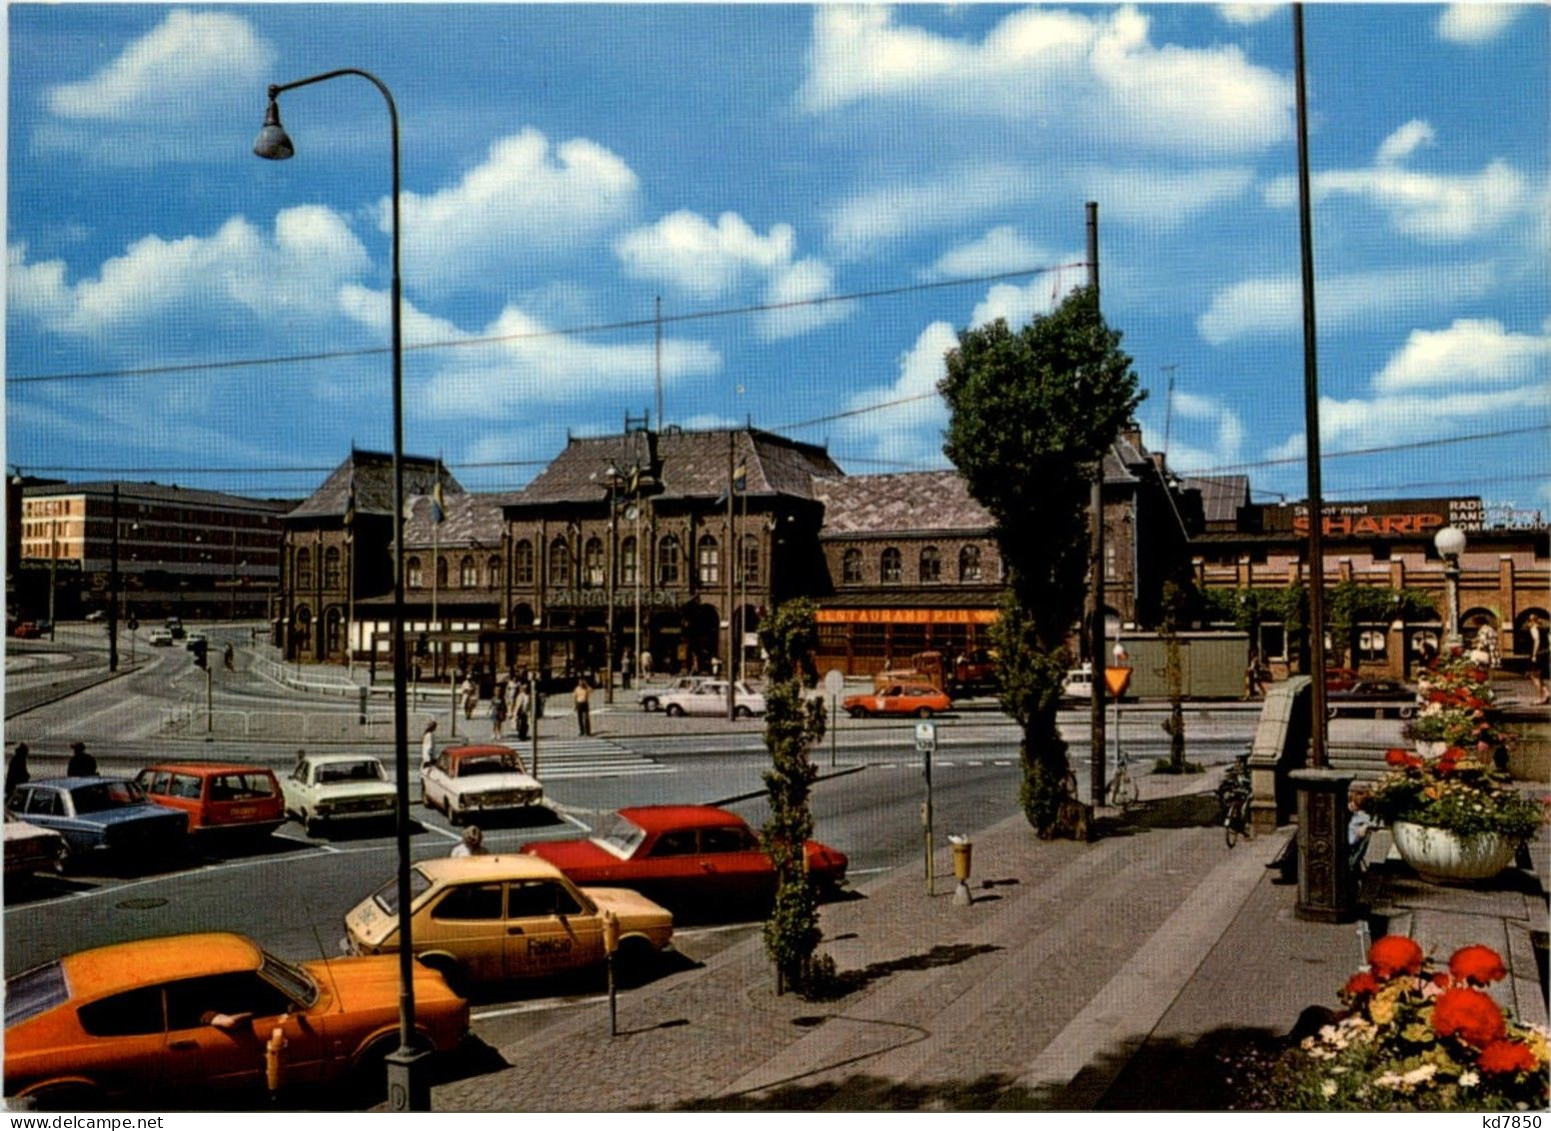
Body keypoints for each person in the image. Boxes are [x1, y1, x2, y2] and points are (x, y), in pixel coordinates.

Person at [1528, 614, 1549, 705]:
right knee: (1539, 675)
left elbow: (1537, 641)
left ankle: (1541, 697)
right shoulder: (1543, 629)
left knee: (1534, 676)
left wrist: (1534, 654)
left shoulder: (1534, 629)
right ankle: (1546, 693)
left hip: (1538, 654)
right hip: (1545, 653)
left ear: (1532, 621)